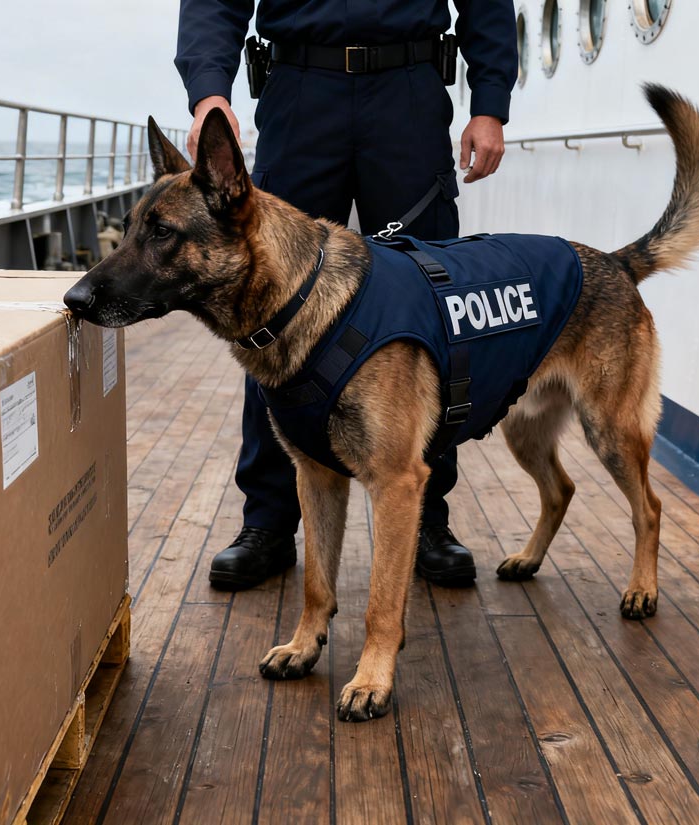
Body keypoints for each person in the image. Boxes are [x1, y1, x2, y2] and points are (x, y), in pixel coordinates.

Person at [175, 1, 518, 591]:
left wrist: (490, 102)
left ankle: (428, 518)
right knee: (274, 312)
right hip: (299, 94)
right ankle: (268, 522)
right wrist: (209, 89)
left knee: (428, 304)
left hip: (408, 92)